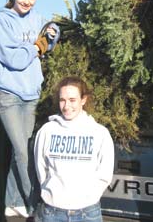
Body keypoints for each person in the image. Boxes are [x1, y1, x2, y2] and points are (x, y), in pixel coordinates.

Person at [0, 0, 57, 218]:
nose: (27, 1)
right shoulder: (2, 20)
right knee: (22, 152)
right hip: (8, 95)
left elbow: (51, 36)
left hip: (30, 95)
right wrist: (37, 47)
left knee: (23, 149)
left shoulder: (38, 19)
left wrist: (52, 33)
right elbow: (14, 60)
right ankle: (35, 204)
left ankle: (14, 203)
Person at [33, 76, 114, 222]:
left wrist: (89, 197)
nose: (66, 106)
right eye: (62, 100)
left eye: (72, 100)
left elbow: (105, 173)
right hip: (51, 213)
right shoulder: (47, 131)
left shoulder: (99, 133)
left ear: (83, 100)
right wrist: (53, 193)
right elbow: (40, 168)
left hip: (88, 214)